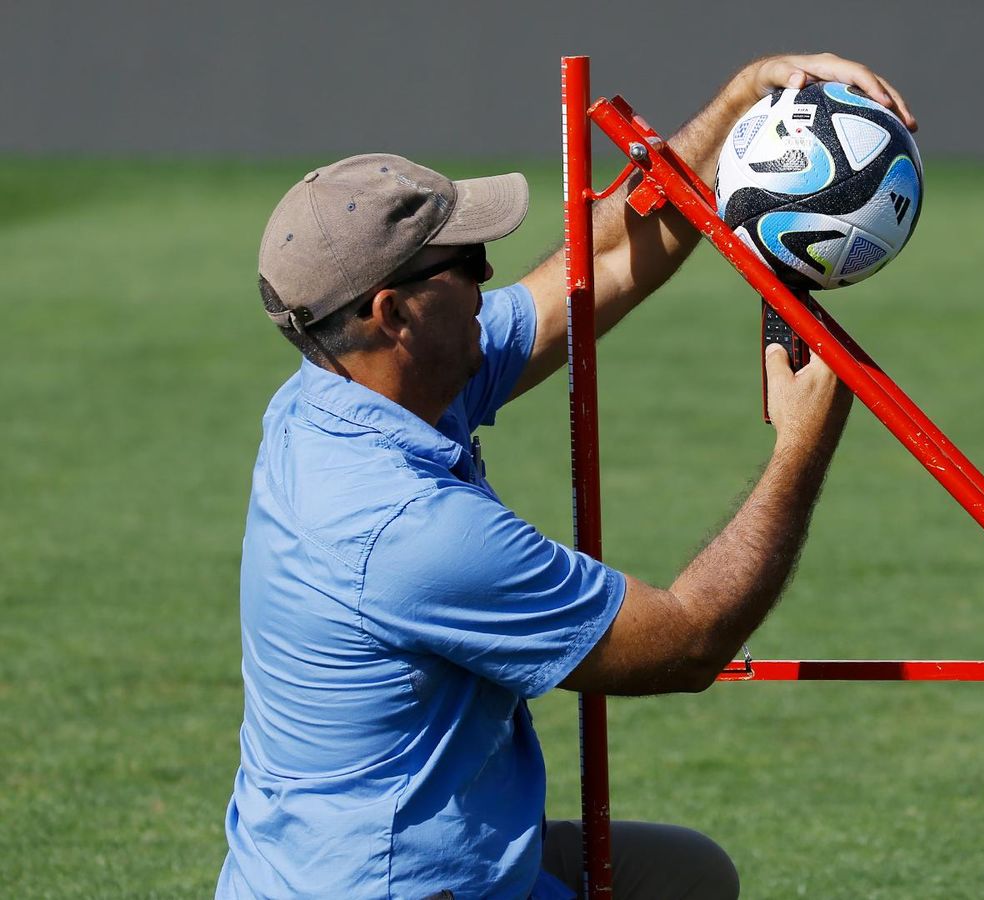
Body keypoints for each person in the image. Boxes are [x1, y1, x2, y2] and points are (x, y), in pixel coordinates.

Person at [217, 54, 915, 899]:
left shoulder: (338, 393)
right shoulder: (407, 531)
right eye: (464, 263)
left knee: (688, 876)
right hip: (395, 883)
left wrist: (742, 104)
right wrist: (801, 445)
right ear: (393, 312)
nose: (488, 277)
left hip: (348, 857)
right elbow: (688, 641)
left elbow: (604, 264)